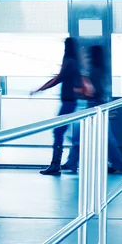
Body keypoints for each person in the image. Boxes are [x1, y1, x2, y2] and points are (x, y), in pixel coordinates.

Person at [62, 45, 122, 174]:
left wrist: (79, 89)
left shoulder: (94, 72)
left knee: (82, 137)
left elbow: (92, 92)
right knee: (101, 138)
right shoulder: (100, 70)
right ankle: (72, 162)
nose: (87, 57)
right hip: (98, 107)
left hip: (94, 108)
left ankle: (72, 162)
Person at [32, 37, 81, 176]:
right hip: (71, 102)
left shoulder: (69, 62)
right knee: (68, 134)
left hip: (68, 103)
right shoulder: (74, 62)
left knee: (58, 132)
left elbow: (57, 79)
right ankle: (69, 162)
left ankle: (55, 165)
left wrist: (39, 89)